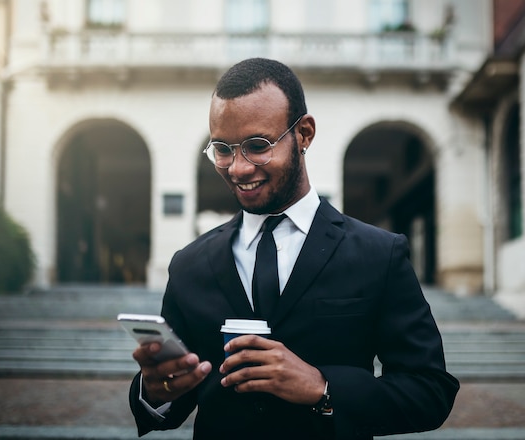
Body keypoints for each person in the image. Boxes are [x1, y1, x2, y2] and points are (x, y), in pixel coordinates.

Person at [129, 57, 459, 439]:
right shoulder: (189, 265)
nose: (237, 168)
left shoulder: (379, 254)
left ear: (303, 134)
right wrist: (156, 389)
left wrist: (323, 388)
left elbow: (431, 391)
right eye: (222, 149)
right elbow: (170, 403)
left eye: (257, 145)